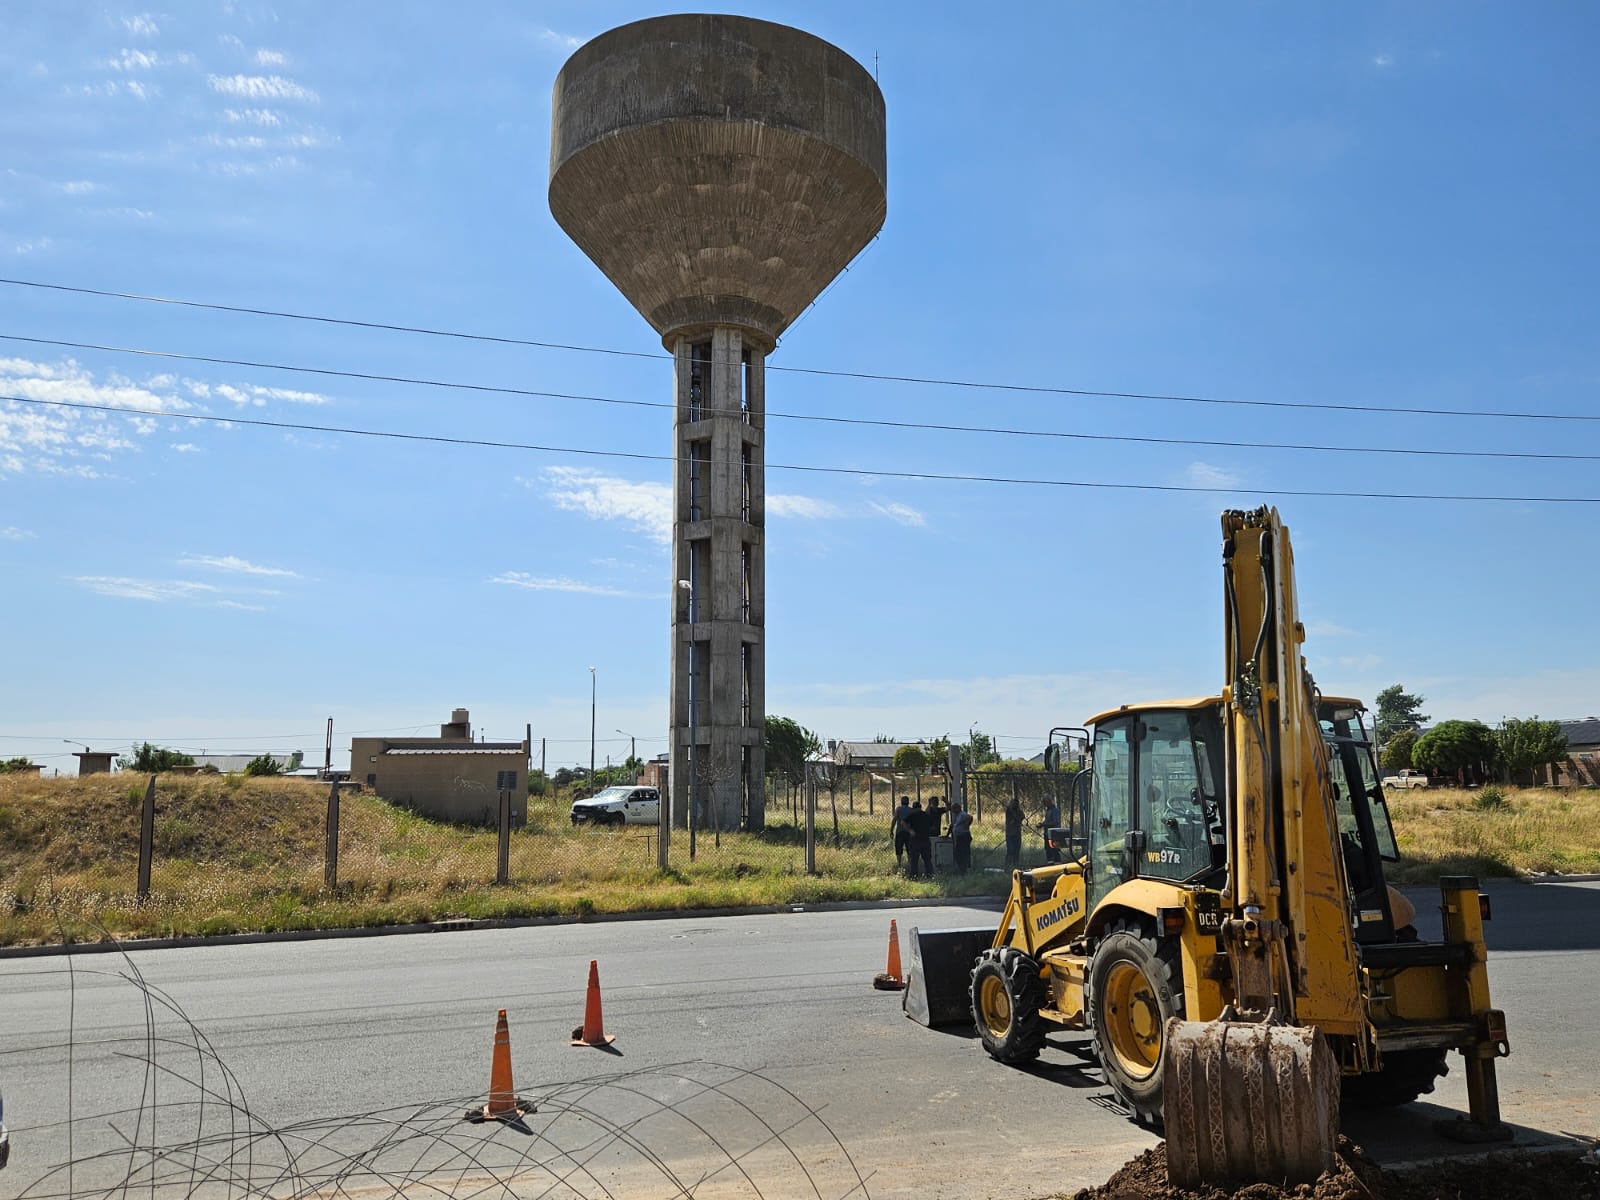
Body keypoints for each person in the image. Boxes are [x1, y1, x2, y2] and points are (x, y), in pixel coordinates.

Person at [907, 799, 933, 879]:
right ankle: (929, 875)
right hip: (925, 840)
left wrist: (910, 830)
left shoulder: (912, 815)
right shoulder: (926, 815)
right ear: (921, 807)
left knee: (914, 859)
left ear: (913, 808)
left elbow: (903, 822)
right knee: (927, 859)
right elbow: (932, 826)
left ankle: (913, 876)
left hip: (915, 840)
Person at [950, 803, 973, 872]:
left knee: (962, 852)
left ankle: (965, 868)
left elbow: (970, 817)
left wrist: (967, 825)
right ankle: (962, 868)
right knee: (959, 853)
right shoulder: (957, 816)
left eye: (954, 809)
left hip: (964, 836)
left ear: (958, 808)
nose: (953, 811)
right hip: (960, 836)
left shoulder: (962, 814)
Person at [1003, 795, 1023, 870]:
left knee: (1017, 851)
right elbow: (1015, 817)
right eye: (1013, 804)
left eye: (1016, 804)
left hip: (1017, 834)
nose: (1015, 805)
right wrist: (1011, 808)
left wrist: (1017, 818)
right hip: (1010, 834)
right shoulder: (1009, 811)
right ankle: (1007, 866)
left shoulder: (1019, 811)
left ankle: (1015, 866)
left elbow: (1021, 816)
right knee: (1010, 851)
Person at [892, 795, 912, 868]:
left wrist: (891, 830)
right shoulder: (911, 810)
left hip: (900, 831)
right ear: (908, 802)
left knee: (898, 848)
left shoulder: (899, 809)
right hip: (908, 832)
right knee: (909, 848)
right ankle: (910, 863)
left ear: (901, 802)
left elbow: (894, 820)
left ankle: (899, 864)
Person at [1042, 796, 1062, 864]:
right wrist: (1042, 824)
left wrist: (1044, 825)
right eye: (1044, 803)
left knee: (1055, 850)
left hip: (1054, 834)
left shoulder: (1055, 810)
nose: (1045, 804)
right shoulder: (1048, 810)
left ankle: (1058, 864)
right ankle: (1050, 864)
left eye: (1045, 802)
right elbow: (1047, 821)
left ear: (1050, 801)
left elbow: (1055, 822)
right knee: (1048, 850)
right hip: (1047, 834)